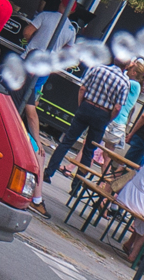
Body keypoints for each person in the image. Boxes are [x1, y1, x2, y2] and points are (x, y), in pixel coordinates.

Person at [42, 55, 133, 185]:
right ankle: (76, 185)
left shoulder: (98, 69)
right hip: (103, 113)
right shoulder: (125, 82)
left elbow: (83, 88)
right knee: (89, 150)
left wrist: (81, 104)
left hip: (87, 105)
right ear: (126, 66)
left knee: (67, 141)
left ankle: (48, 172)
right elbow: (118, 107)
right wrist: (108, 118)